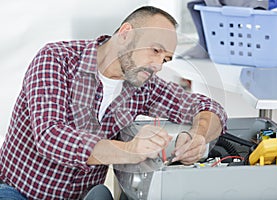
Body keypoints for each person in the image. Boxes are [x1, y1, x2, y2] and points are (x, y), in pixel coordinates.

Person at [0, 5, 227, 199]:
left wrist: (199, 135)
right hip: (19, 191)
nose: (158, 65)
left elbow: (209, 108)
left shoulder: (143, 84)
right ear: (125, 34)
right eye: (155, 50)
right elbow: (51, 136)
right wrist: (130, 149)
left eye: (165, 59)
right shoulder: (56, 59)